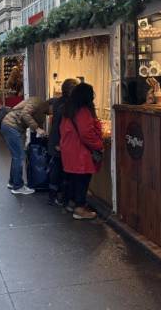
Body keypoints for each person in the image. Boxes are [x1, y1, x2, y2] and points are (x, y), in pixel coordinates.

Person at [60, 83, 104, 220]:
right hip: (80, 152)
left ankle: (71, 204)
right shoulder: (83, 111)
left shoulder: (69, 109)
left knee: (73, 179)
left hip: (69, 149)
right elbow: (86, 134)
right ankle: (79, 209)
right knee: (82, 180)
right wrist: (98, 145)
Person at [1, 97, 51, 195]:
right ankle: (18, 186)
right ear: (51, 105)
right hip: (12, 126)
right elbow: (25, 114)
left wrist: (40, 131)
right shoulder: (38, 102)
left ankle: (13, 182)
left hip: (10, 125)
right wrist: (37, 129)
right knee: (19, 157)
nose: (52, 113)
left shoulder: (41, 107)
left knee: (16, 156)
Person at [47, 78, 78, 206]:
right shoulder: (67, 105)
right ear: (71, 90)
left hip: (56, 140)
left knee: (58, 169)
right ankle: (58, 197)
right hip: (59, 142)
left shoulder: (58, 102)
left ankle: (56, 196)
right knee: (61, 170)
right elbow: (62, 125)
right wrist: (59, 143)